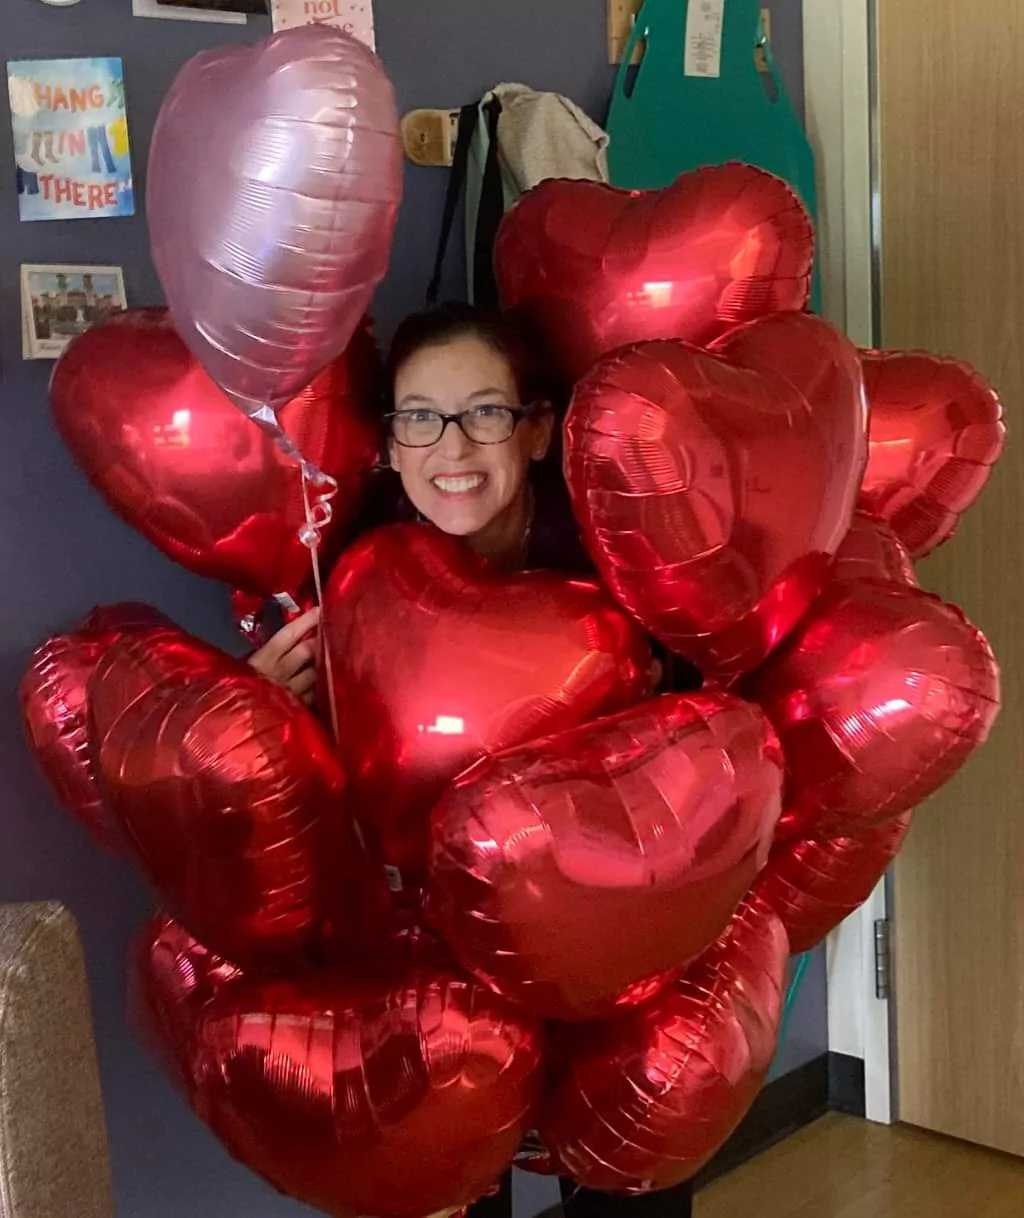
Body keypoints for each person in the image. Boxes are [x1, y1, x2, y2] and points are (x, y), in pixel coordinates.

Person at [249, 303, 697, 1218]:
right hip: (427, 950)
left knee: (625, 1174)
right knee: (446, 1176)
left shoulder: (619, 563)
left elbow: (706, 732)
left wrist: (648, 701)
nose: (451, 445)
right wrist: (259, 698)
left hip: (598, 927)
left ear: (535, 431)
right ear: (388, 441)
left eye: (484, 412)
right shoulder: (345, 567)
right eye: (420, 417)